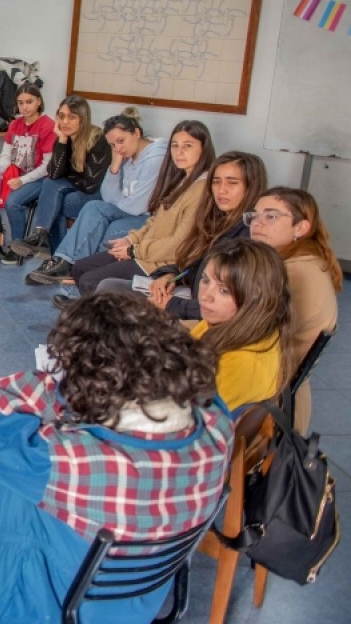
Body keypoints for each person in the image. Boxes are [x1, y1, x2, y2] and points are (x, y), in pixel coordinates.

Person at [0, 292, 231, 624]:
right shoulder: (216, 426)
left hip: (42, 616)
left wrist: (61, 385)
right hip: (131, 608)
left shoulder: (68, 462)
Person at [60, 120, 216, 299]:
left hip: (159, 263)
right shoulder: (180, 179)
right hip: (145, 251)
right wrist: (130, 239)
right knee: (80, 267)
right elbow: (155, 221)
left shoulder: (201, 189)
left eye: (187, 146)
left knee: (89, 280)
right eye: (175, 145)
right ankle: (88, 308)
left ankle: (96, 316)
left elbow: (178, 244)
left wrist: (134, 250)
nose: (179, 152)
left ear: (203, 148)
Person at [23, 108, 168, 285]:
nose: (118, 148)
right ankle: (64, 264)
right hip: (129, 211)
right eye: (113, 145)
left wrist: (114, 204)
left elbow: (137, 207)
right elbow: (107, 197)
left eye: (121, 141)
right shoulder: (127, 155)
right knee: (93, 208)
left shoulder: (155, 158)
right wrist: (115, 165)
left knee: (103, 228)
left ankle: (74, 280)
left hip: (151, 219)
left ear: (137, 133)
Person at [246, 187, 341, 433]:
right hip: (284, 394)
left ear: (301, 228)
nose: (258, 223)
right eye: (255, 215)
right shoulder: (308, 261)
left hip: (266, 402)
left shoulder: (290, 273)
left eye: (271, 216)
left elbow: (242, 333)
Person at [139, 152, 267, 320]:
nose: (222, 190)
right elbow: (196, 263)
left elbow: (232, 304)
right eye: (216, 182)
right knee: (110, 287)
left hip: (199, 316)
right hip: (187, 298)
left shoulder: (250, 234)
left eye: (232, 183)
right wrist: (172, 276)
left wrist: (172, 305)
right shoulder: (217, 219)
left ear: (251, 187)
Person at [189, 239, 291, 413]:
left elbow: (188, 419)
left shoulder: (240, 364)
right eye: (205, 280)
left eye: (224, 290)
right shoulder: (229, 323)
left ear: (254, 298)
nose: (206, 296)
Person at [9, 96, 112, 260]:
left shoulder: (98, 139)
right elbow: (54, 174)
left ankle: (53, 252)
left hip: (95, 196)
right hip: (71, 190)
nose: (65, 122)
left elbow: (90, 185)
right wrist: (62, 142)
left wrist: (67, 176)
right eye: (61, 116)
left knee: (55, 203)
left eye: (72, 117)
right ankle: (51, 249)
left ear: (83, 119)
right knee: (51, 185)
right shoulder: (64, 136)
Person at [0, 83, 56, 263]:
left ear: (38, 101)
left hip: (38, 178)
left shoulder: (48, 126)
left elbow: (47, 166)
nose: (25, 107)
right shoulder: (15, 124)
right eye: (21, 102)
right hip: (13, 174)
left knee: (13, 202)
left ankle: (17, 247)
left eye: (29, 102)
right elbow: (6, 154)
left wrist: (23, 180)